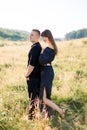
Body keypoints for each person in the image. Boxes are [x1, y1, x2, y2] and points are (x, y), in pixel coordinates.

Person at [39, 29, 65, 118]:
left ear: (47, 37)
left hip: (46, 72)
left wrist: (41, 52)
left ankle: (60, 111)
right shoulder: (51, 47)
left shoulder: (49, 48)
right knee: (45, 97)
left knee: (44, 98)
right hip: (47, 70)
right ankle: (48, 114)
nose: (43, 40)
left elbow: (41, 60)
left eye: (44, 38)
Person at [25, 29, 42, 119]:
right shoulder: (36, 46)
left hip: (33, 77)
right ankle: (38, 115)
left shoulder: (35, 47)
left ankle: (31, 118)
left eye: (32, 35)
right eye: (30, 34)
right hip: (36, 77)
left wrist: (27, 75)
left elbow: (32, 64)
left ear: (37, 37)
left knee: (32, 98)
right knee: (36, 98)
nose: (30, 36)